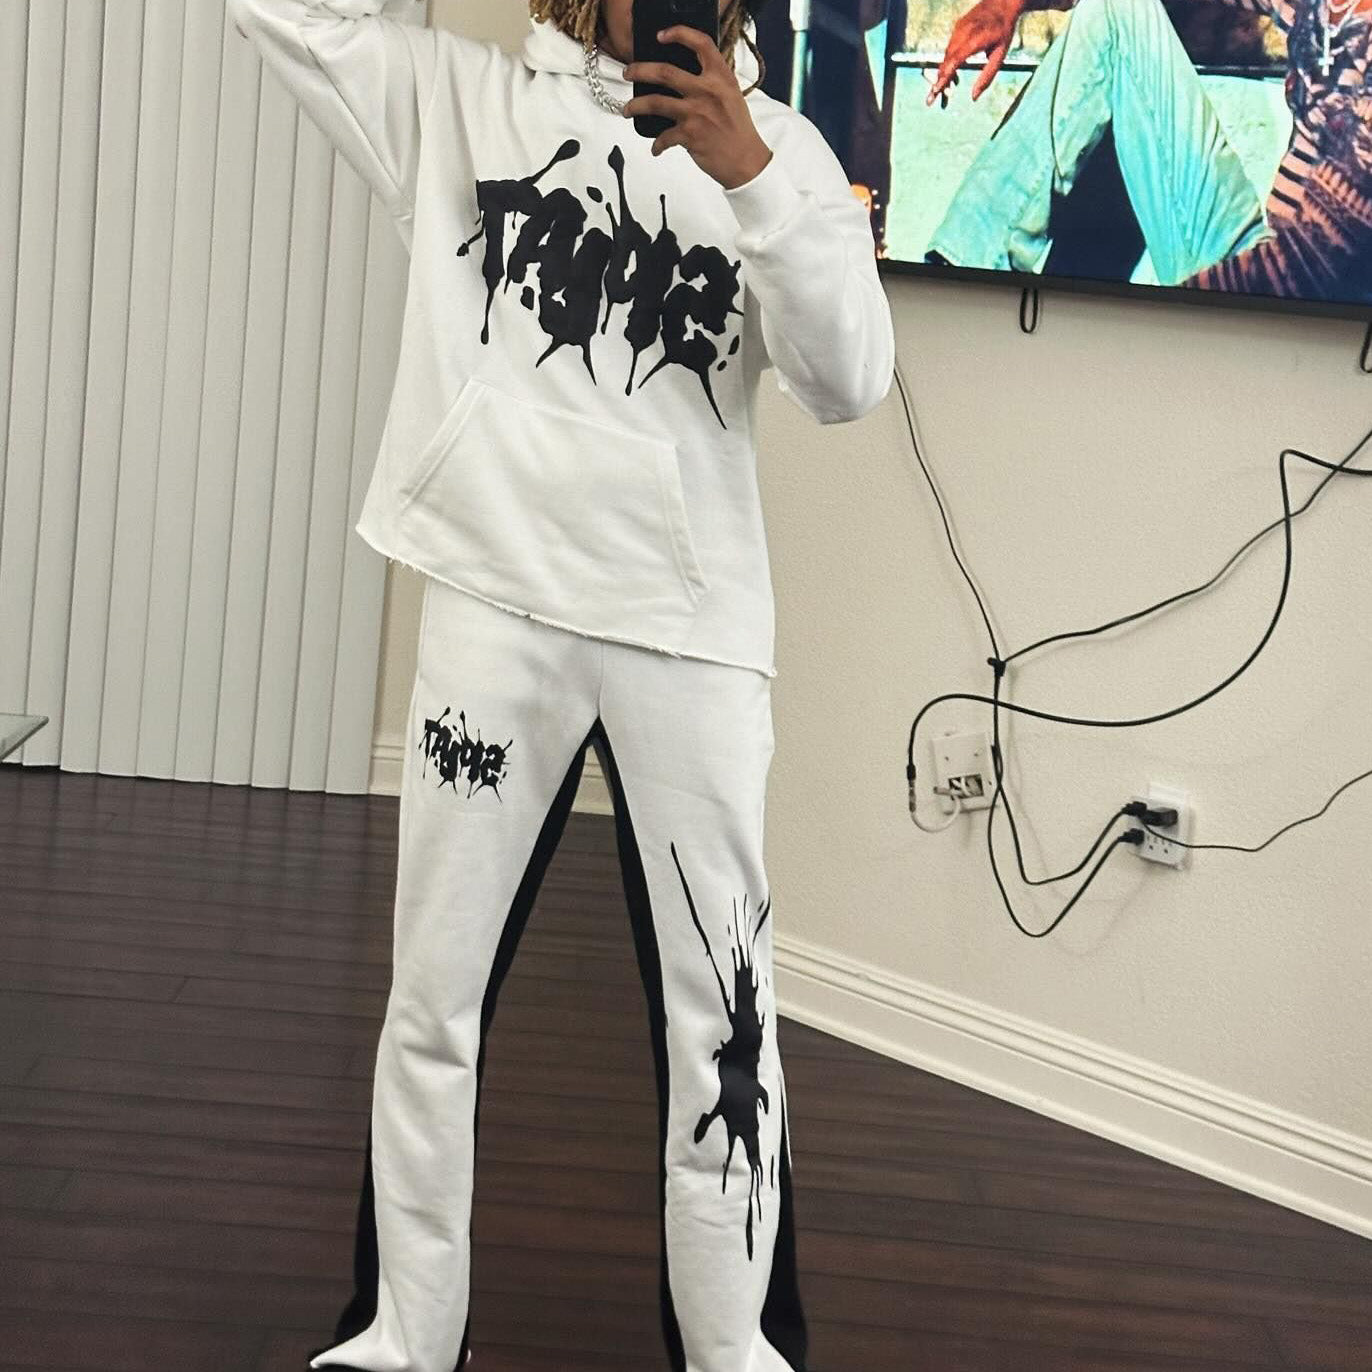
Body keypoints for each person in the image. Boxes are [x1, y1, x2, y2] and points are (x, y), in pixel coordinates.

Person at [226, 0, 896, 1368]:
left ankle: (737, 1349)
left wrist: (753, 180)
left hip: (691, 631)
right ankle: (404, 1337)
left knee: (725, 1020)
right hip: (495, 597)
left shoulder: (781, 147)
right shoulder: (458, 100)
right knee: (433, 1002)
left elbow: (849, 382)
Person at [923, 0, 1372, 300]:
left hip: (1287, 307)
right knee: (1117, 7)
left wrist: (1167, 321)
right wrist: (1005, 5)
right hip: (1259, 258)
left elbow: (1320, 270)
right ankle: (964, 274)